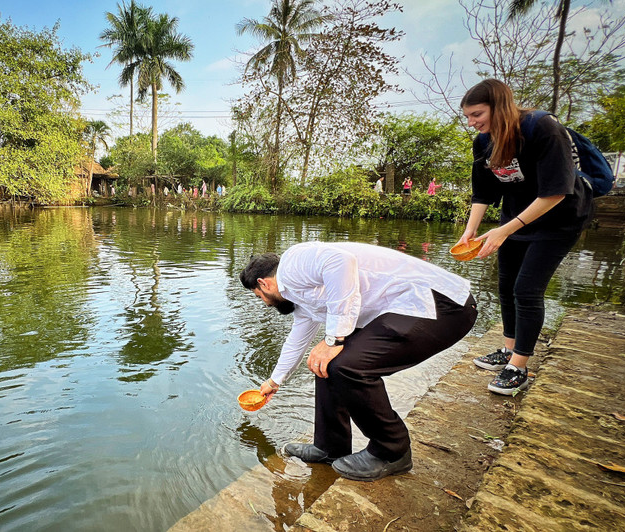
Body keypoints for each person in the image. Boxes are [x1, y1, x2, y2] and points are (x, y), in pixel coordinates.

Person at [239, 242, 477, 481]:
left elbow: (340, 262)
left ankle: (391, 451)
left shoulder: (292, 263)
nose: (266, 303)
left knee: (347, 365)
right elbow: (297, 340)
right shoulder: (301, 297)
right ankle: (329, 447)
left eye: (260, 297)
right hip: (403, 309)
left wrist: (334, 339)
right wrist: (275, 381)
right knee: (323, 363)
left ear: (263, 283)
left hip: (440, 303)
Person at [458, 79, 592, 395]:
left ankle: (518, 367)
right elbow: (483, 192)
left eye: (477, 114)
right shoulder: (484, 141)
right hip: (515, 217)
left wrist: (504, 231)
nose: (472, 122)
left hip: (559, 219)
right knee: (506, 286)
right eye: (467, 116)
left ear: (499, 106)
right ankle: (508, 349)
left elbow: (557, 191)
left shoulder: (543, 128)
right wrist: (470, 230)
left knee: (527, 289)